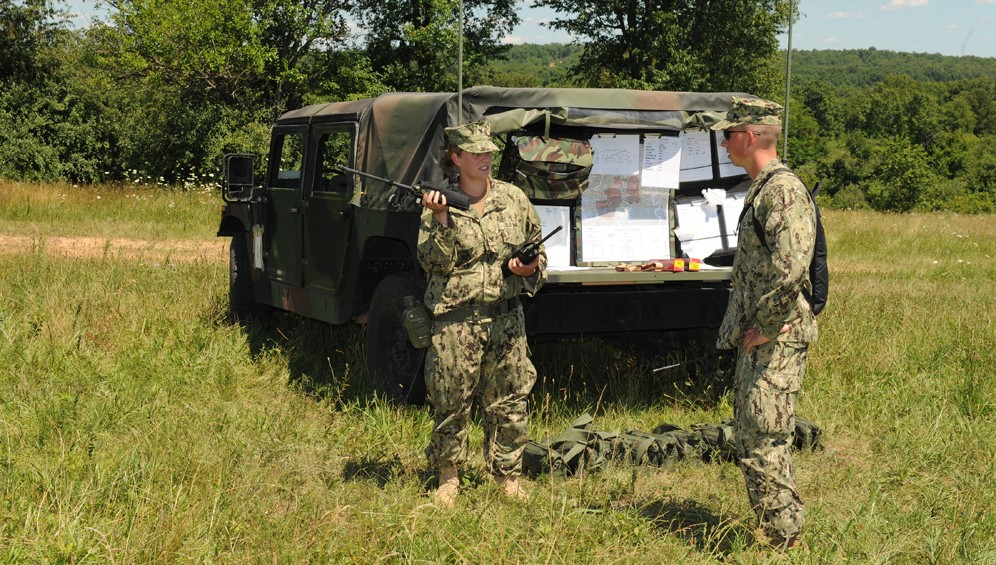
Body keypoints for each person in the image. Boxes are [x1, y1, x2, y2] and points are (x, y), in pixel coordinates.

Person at [417, 121, 547, 507]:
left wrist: (530, 268)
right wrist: (441, 221)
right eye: (476, 152)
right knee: (450, 400)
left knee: (510, 399)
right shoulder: (437, 202)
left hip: (506, 318)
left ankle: (507, 474)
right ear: (456, 157)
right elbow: (431, 263)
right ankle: (448, 475)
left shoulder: (514, 199)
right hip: (457, 321)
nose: (485, 158)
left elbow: (537, 251)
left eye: (488, 151)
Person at [711, 97, 818, 549]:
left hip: (777, 337)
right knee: (753, 432)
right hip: (763, 335)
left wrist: (769, 326)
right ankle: (778, 532)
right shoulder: (762, 187)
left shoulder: (782, 191)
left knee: (763, 436)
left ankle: (786, 539)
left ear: (749, 136)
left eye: (727, 133)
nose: (723, 142)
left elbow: (792, 267)